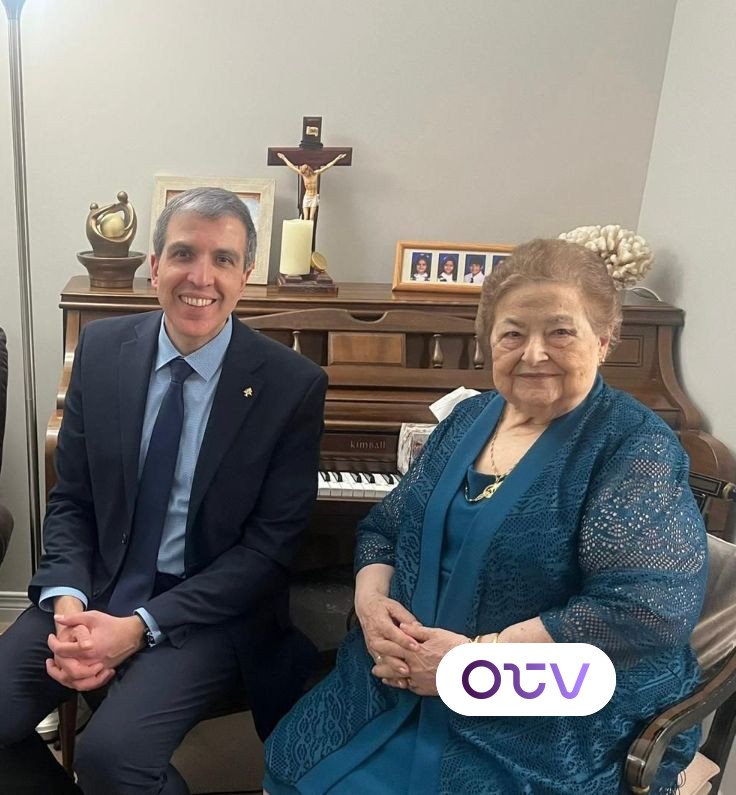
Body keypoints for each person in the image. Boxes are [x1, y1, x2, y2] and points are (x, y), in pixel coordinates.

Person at [263, 238, 707, 794]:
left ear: (604, 339)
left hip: (540, 703)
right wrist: (372, 608)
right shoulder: (468, 418)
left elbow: (645, 610)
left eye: (560, 332)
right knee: (297, 767)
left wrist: (472, 665)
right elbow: (386, 529)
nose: (533, 354)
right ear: (489, 343)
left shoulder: (634, 446)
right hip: (395, 676)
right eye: (513, 334)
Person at [0, 187, 327, 794]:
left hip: (205, 611)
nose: (201, 278)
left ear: (246, 275)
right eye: (184, 254)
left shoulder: (290, 384)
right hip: (98, 587)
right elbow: (74, 499)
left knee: (112, 760)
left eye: (223, 259)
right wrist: (68, 600)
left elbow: (267, 551)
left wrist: (139, 626)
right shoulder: (101, 349)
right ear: (155, 265)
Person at [277, 151, 347, 220]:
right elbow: (292, 167)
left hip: (314, 197)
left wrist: (337, 158)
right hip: (307, 196)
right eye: (303, 173)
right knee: (305, 217)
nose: (305, 174)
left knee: (311, 217)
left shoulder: (315, 174)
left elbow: (327, 166)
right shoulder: (303, 175)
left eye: (305, 172)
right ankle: (305, 227)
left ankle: (311, 227)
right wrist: (283, 158)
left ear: (308, 170)